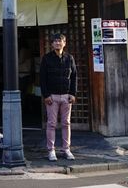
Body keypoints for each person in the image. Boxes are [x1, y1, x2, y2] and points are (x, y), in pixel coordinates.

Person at [40, 32, 77, 161]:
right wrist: (46, 95)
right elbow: (42, 78)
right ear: (52, 44)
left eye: (60, 40)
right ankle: (51, 150)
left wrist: (73, 93)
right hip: (52, 96)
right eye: (55, 41)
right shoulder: (46, 58)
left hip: (66, 96)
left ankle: (66, 149)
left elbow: (74, 76)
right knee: (51, 124)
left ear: (64, 43)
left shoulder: (69, 58)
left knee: (66, 123)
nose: (57, 43)